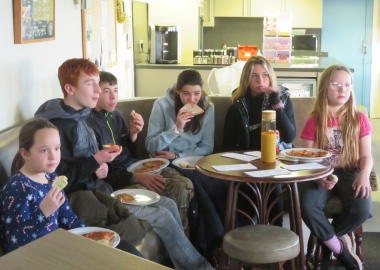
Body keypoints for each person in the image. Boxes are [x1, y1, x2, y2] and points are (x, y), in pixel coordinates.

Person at [34, 59, 214, 270]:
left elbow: (103, 165)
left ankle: (183, 262)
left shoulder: (84, 118)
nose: (97, 91)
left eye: (98, 83)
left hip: (103, 190)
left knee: (169, 204)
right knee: (163, 212)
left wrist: (125, 143)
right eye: (91, 84)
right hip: (92, 199)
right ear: (69, 88)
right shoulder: (56, 128)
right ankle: (201, 267)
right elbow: (57, 181)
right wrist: (96, 163)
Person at [0, 119, 142, 257]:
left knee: (124, 247)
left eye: (56, 148)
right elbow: (15, 243)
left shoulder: (51, 178)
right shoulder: (17, 187)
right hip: (38, 257)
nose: (53, 156)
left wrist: (93, 237)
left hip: (59, 245)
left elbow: (69, 219)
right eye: (44, 150)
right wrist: (43, 212)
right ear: (25, 154)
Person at [86, 71, 194, 237]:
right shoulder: (89, 125)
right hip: (122, 180)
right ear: (95, 92)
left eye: (116, 90)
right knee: (178, 189)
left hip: (136, 168)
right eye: (106, 91)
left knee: (186, 183)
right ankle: (180, 243)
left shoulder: (116, 115)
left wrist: (133, 134)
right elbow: (105, 173)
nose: (113, 96)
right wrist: (135, 177)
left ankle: (182, 241)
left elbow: (131, 154)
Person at [145, 69, 229, 267]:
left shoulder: (208, 108)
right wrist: (176, 128)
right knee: (187, 187)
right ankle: (190, 251)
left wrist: (177, 155)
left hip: (192, 163)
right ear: (177, 91)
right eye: (186, 94)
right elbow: (150, 145)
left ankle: (214, 246)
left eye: (197, 94)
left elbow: (207, 148)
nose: (192, 99)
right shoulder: (162, 105)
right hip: (164, 165)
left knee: (219, 185)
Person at [299, 65, 372, 270]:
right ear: (325, 88)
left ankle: (330, 242)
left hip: (350, 172)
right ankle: (341, 250)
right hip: (322, 172)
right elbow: (309, 158)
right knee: (307, 205)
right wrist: (316, 178)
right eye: (336, 85)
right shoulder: (314, 120)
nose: (343, 90)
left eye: (347, 85)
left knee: (362, 208)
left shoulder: (359, 119)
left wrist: (365, 174)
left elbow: (366, 155)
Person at [222, 56, 296, 227]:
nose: (260, 81)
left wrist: (276, 103)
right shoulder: (236, 106)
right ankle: (245, 241)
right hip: (247, 163)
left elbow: (290, 137)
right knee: (245, 189)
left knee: (273, 184)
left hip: (277, 161)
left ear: (271, 77)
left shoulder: (283, 100)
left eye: (264, 75)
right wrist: (246, 160)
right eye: (254, 76)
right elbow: (226, 146)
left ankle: (278, 242)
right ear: (246, 79)